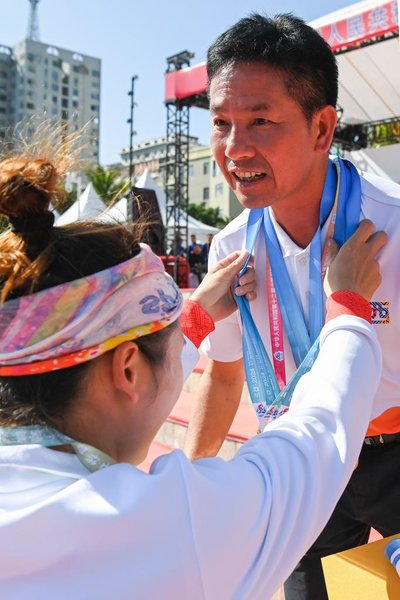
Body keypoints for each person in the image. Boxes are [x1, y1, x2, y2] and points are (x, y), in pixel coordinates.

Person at [0, 146, 387, 599]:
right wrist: (347, 306)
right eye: (170, 343)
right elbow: (321, 432)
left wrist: (195, 317)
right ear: (127, 371)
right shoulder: (162, 531)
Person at [184, 13, 400, 599]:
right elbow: (222, 374)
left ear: (322, 128)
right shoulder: (232, 247)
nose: (234, 149)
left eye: (260, 121)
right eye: (222, 123)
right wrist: (191, 489)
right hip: (307, 458)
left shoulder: (392, 224)